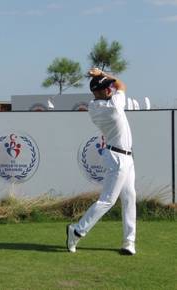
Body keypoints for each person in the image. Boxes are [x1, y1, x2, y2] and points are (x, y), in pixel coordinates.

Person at [66, 68, 137, 255]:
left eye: (109, 87)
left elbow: (113, 87)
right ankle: (77, 230)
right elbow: (121, 84)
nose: (110, 89)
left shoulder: (93, 106)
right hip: (118, 158)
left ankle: (129, 242)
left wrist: (99, 77)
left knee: (130, 198)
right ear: (100, 92)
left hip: (125, 157)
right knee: (107, 201)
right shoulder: (113, 105)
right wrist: (102, 72)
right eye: (106, 88)